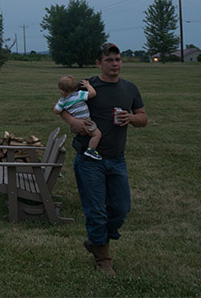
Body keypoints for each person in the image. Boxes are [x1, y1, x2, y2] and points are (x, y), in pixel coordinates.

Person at [58, 43, 148, 277]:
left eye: (118, 59)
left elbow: (143, 117)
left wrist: (131, 118)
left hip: (117, 159)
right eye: (109, 60)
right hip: (89, 159)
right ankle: (103, 259)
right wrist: (73, 122)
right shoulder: (86, 86)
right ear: (99, 63)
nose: (115, 64)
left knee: (120, 208)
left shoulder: (130, 88)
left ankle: (96, 241)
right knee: (96, 211)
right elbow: (63, 106)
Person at [54, 75, 102, 160]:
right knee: (97, 134)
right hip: (86, 121)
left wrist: (61, 101)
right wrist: (87, 85)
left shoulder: (62, 101)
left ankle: (87, 149)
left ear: (62, 91)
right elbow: (93, 93)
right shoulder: (79, 94)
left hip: (74, 124)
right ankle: (91, 150)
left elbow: (56, 111)